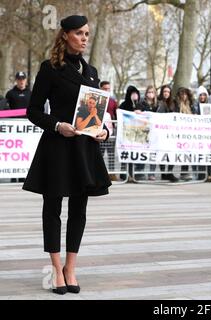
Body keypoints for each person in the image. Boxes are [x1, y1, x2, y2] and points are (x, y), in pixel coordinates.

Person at [22, 15, 111, 295]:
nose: (85, 38)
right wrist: (58, 125)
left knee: (79, 209)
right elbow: (33, 110)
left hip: (84, 148)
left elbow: (95, 112)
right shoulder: (50, 68)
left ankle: (71, 268)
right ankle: (55, 267)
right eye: (79, 33)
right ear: (65, 36)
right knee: (53, 208)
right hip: (58, 147)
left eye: (87, 33)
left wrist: (104, 132)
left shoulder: (92, 71)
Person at [156, 84, 179, 183]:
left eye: (168, 92)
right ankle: (163, 173)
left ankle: (169, 171)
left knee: (172, 153)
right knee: (162, 152)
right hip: (160, 132)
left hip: (171, 132)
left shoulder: (174, 103)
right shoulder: (158, 102)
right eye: (164, 91)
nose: (166, 93)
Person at [118, 85, 141, 182]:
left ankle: (134, 174)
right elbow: (119, 113)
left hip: (138, 134)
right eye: (133, 94)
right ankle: (124, 175)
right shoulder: (124, 104)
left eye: (136, 93)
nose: (135, 96)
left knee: (135, 155)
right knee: (126, 154)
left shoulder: (140, 104)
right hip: (126, 134)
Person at [136, 85, 158, 181]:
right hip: (143, 131)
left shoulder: (158, 105)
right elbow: (136, 114)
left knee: (153, 153)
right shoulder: (141, 103)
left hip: (155, 132)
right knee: (142, 152)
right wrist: (137, 112)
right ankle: (140, 172)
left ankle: (151, 173)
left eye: (152, 92)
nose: (150, 94)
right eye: (149, 92)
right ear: (146, 93)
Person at [175, 87, 197, 181]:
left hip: (189, 131)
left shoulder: (191, 105)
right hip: (179, 131)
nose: (183, 96)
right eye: (182, 94)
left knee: (188, 152)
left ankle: (185, 172)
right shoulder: (176, 105)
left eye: (185, 94)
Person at [193, 86, 210, 181]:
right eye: (200, 95)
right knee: (196, 154)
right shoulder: (194, 105)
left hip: (206, 133)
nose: (202, 97)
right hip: (196, 132)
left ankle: (206, 174)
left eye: (204, 95)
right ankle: (196, 173)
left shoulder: (209, 106)